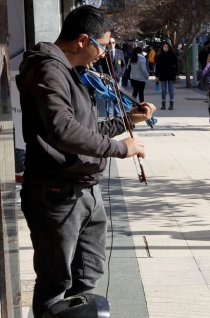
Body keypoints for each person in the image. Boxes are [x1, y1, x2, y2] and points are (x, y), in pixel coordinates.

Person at [15, 6, 156, 317]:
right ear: (82, 40)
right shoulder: (48, 70)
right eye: (103, 46)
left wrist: (126, 120)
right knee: (55, 283)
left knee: (87, 276)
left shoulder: (69, 72)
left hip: (85, 190)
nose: (104, 54)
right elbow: (63, 131)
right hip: (56, 193)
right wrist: (122, 149)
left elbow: (85, 129)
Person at [155, 42, 179, 110]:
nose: (166, 48)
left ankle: (171, 104)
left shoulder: (172, 55)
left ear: (169, 47)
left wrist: (177, 74)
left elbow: (176, 65)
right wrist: (157, 76)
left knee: (171, 89)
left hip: (171, 74)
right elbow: (157, 66)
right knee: (163, 90)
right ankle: (163, 104)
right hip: (162, 75)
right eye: (164, 46)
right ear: (162, 48)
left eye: (167, 47)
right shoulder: (159, 56)